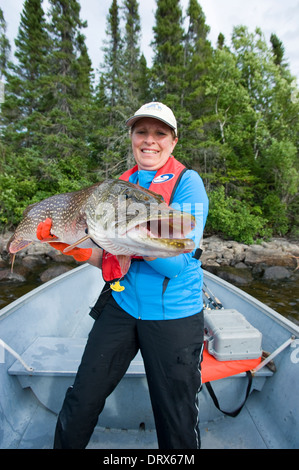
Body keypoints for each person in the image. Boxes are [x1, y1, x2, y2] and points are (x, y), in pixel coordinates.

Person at [37, 102, 209, 449]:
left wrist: (123, 239)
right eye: (141, 132)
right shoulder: (119, 185)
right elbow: (106, 260)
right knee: (82, 398)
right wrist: (69, 245)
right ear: (131, 137)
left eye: (159, 133)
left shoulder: (188, 184)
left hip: (174, 314)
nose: (149, 141)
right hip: (123, 304)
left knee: (176, 421)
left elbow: (176, 262)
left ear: (173, 141)